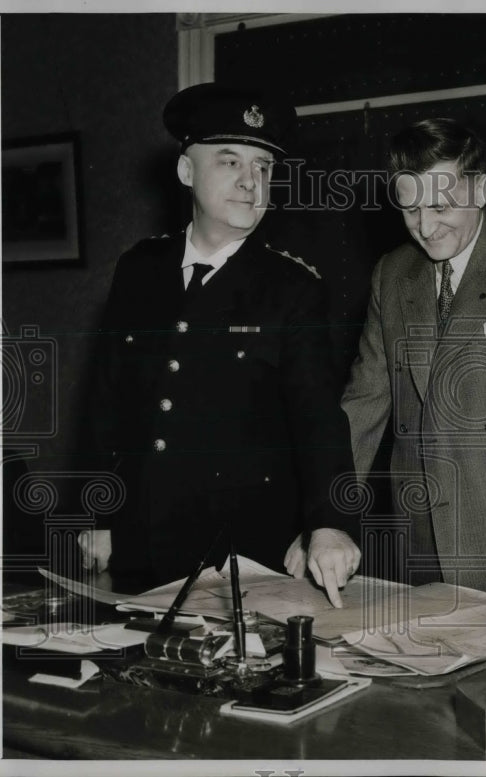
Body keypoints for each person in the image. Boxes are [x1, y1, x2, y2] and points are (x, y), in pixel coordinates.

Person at [291, 118, 486, 604]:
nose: (426, 226)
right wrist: (324, 521)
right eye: (411, 209)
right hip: (427, 536)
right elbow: (363, 405)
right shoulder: (392, 274)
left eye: (441, 205)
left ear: (480, 190)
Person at [77, 83, 360, 606]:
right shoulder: (139, 270)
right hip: (136, 539)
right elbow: (106, 401)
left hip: (240, 550)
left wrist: (329, 524)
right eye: (230, 162)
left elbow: (318, 419)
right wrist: (98, 516)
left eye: (263, 168)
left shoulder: (293, 289)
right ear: (187, 172)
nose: (251, 183)